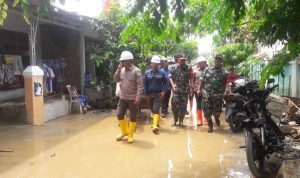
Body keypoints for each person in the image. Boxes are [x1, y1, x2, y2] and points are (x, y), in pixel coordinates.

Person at [114, 51, 143, 143]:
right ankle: (124, 132)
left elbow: (140, 85)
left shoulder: (136, 71)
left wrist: (138, 97)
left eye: (123, 61)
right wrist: (118, 70)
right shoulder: (121, 70)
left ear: (129, 61)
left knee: (133, 117)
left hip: (132, 98)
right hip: (123, 97)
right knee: (119, 114)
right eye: (121, 61)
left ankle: (130, 134)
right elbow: (116, 80)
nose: (122, 63)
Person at [198, 56, 228, 133]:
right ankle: (210, 126)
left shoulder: (224, 71)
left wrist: (226, 89)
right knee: (207, 111)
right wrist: (199, 89)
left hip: (218, 95)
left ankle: (216, 118)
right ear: (214, 61)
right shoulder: (207, 69)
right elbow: (201, 80)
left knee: (217, 111)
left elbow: (226, 82)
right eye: (216, 60)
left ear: (221, 62)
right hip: (207, 94)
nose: (217, 62)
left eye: (219, 61)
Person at [144, 55, 168, 134]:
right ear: (151, 64)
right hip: (149, 95)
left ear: (159, 65)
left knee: (155, 109)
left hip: (158, 94)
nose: (155, 65)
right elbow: (145, 85)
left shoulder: (162, 73)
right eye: (154, 63)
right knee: (152, 109)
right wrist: (146, 94)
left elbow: (165, 83)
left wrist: (164, 92)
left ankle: (154, 126)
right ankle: (156, 123)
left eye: (157, 64)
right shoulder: (147, 73)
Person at [169, 54, 193, 127]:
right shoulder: (174, 67)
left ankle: (181, 121)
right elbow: (170, 77)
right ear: (178, 59)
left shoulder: (189, 68)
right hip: (176, 90)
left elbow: (191, 78)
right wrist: (173, 86)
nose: (183, 61)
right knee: (174, 105)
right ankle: (175, 119)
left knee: (183, 106)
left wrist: (191, 87)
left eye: (184, 59)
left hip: (185, 90)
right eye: (181, 59)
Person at [193, 56, 207, 126]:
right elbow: (193, 80)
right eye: (199, 63)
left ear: (205, 63)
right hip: (197, 90)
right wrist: (193, 88)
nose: (199, 64)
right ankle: (199, 119)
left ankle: (205, 117)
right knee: (198, 103)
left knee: (206, 104)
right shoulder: (195, 71)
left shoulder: (208, 70)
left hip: (206, 90)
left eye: (201, 63)